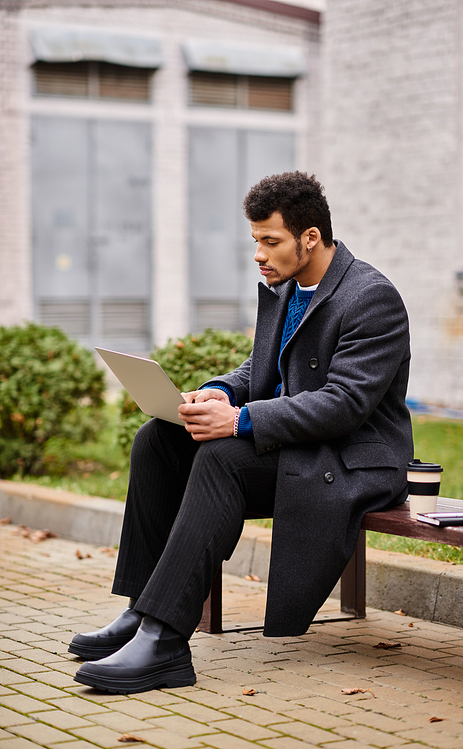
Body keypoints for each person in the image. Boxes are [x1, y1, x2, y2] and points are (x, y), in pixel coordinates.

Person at [70, 171, 413, 694]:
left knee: (224, 457)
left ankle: (163, 642)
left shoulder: (371, 298)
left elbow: (345, 404)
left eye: (270, 241)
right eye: (255, 241)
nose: (259, 253)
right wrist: (220, 393)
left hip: (352, 461)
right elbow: (260, 368)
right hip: (304, 449)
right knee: (158, 441)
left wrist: (240, 421)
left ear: (311, 238)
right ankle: (142, 611)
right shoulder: (288, 286)